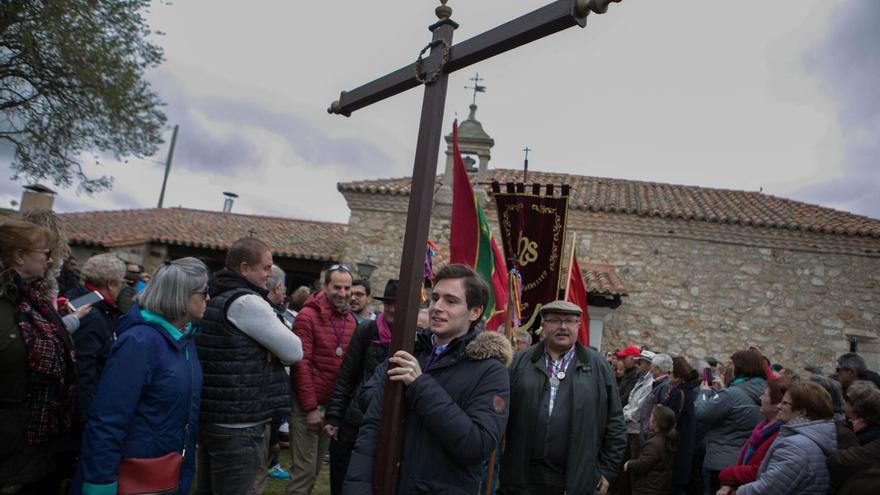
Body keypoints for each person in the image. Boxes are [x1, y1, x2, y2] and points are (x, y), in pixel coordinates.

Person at [345, 264, 513, 494]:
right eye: (435, 298)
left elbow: (476, 445)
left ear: (474, 312)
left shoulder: (490, 370)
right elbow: (371, 427)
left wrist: (419, 385)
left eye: (451, 301)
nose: (437, 307)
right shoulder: (408, 351)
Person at [74, 257, 208, 495]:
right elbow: (108, 418)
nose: (208, 298)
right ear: (181, 295)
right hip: (136, 474)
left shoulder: (185, 339)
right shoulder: (139, 342)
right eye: (204, 292)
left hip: (166, 471)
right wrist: (100, 484)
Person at [195, 238, 303, 495]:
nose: (270, 274)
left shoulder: (216, 293)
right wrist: (271, 349)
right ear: (244, 268)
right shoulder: (247, 302)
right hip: (240, 423)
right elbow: (294, 351)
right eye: (266, 268)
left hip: (213, 416)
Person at [499, 299, 626, 495]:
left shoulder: (598, 366)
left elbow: (615, 423)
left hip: (575, 478)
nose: (563, 327)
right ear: (543, 325)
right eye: (555, 320)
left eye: (569, 321)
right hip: (523, 478)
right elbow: (499, 414)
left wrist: (607, 472)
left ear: (578, 325)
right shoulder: (520, 362)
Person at [0, 220, 77, 493]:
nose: (50, 260)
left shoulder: (33, 301)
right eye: (45, 253)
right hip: (9, 439)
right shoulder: (10, 304)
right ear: (20, 256)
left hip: (33, 440)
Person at [287, 264, 357, 495]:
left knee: (315, 469)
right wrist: (310, 408)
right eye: (337, 287)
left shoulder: (351, 321)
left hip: (332, 407)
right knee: (303, 472)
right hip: (309, 407)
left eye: (347, 288)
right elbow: (301, 364)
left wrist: (337, 410)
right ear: (325, 286)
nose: (343, 293)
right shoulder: (307, 317)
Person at [324, 279, 397, 495]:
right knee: (344, 480)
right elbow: (347, 376)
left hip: (389, 424)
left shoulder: (416, 335)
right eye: (388, 303)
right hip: (356, 420)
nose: (392, 308)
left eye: (397, 303)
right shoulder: (367, 330)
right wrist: (334, 417)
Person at [736, 381, 837, 495]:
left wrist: (738, 492)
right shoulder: (807, 439)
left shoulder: (796, 447)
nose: (778, 406)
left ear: (802, 412)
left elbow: (768, 489)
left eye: (784, 403)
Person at [66, 253, 127, 424]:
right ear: (110, 284)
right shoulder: (91, 313)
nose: (123, 286)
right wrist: (87, 417)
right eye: (122, 282)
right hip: (81, 413)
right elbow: (83, 367)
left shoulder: (82, 298)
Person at [695, 349, 766, 493]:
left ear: (740, 366)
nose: (728, 367)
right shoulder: (765, 391)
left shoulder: (733, 394)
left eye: (731, 363)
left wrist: (705, 392)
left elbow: (702, 413)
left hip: (720, 462)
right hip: (743, 462)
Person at [716, 377, 791, 494]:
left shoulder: (779, 434)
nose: (760, 397)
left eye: (765, 395)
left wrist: (728, 474)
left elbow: (760, 469)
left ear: (777, 404)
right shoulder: (764, 426)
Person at [827, 381, 880, 492]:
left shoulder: (864, 435)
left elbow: (838, 463)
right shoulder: (860, 428)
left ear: (854, 406)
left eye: (846, 399)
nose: (843, 402)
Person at [662, 356, 701, 495]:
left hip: (677, 450)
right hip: (683, 449)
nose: (668, 374)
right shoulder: (687, 391)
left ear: (678, 377)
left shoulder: (679, 394)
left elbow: (668, 420)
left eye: (670, 372)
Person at [625, 404, 678, 495]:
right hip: (660, 487)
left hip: (648, 488)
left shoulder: (654, 444)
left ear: (656, 422)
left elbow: (643, 465)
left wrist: (629, 464)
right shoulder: (668, 439)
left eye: (651, 416)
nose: (649, 418)